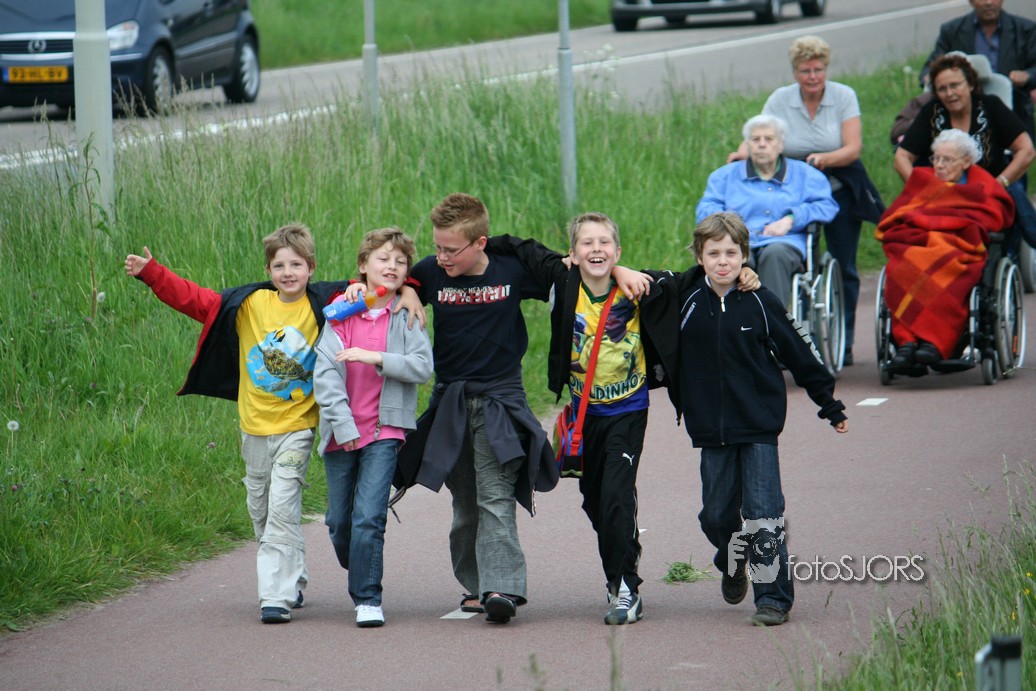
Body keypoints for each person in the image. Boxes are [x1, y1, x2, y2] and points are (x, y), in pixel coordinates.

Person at [485, 213, 757, 625]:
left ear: (618, 251)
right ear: (572, 254)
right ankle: (621, 563)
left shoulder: (641, 285)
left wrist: (743, 274)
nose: (596, 249)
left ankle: (625, 586)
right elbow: (518, 247)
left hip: (628, 411)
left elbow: (696, 277)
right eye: (587, 243)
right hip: (583, 416)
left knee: (616, 497)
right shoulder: (561, 279)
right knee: (596, 503)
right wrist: (476, 244)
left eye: (604, 243)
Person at [125, 224, 347, 624]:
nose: (288, 273)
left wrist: (407, 291)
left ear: (311, 267)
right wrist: (153, 273)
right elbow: (197, 300)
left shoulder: (325, 304)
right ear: (268, 270)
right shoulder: (249, 305)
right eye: (279, 266)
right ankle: (293, 576)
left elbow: (374, 288)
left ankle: (275, 596)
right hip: (254, 428)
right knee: (261, 509)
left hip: (297, 426)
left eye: (296, 265)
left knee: (283, 506)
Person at [389, 193, 559, 625]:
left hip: (501, 400)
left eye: (452, 249)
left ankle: (502, 589)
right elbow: (389, 279)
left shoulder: (511, 270)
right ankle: (476, 584)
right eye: (438, 247)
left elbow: (566, 272)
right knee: (465, 503)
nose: (442, 257)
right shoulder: (430, 273)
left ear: (481, 242)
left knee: (495, 495)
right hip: (451, 402)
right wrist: (408, 290)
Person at [676, 211, 848, 626]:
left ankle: (772, 599)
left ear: (745, 256)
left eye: (731, 253)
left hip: (758, 425)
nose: (723, 261)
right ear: (699, 257)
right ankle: (732, 559)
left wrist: (828, 403)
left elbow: (800, 352)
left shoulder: (761, 300)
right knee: (716, 515)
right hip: (711, 429)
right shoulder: (686, 301)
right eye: (713, 253)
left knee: (763, 513)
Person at [729, 35, 884, 367]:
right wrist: (739, 156)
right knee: (798, 254)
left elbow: (852, 147)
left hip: (837, 183)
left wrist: (825, 159)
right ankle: (792, 329)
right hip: (792, 187)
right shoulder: (781, 99)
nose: (812, 77)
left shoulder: (843, 96)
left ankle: (844, 340)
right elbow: (761, 133)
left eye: (817, 70)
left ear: (825, 68)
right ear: (795, 72)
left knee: (843, 263)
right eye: (805, 71)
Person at [313, 228, 433, 628]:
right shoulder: (341, 312)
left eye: (400, 262)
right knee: (339, 523)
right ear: (363, 266)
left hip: (385, 430)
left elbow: (423, 367)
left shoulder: (407, 314)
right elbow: (325, 374)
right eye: (383, 259)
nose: (392, 266)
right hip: (341, 431)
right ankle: (362, 563)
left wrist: (376, 357)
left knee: (368, 518)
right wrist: (344, 425)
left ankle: (367, 597)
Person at [879, 130, 1015, 370]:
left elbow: (993, 218)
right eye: (936, 158)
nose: (939, 165)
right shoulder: (922, 180)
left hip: (960, 246)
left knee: (947, 268)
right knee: (901, 267)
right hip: (918, 242)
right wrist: (925, 227)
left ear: (966, 161)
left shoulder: (983, 186)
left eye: (947, 159)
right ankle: (906, 342)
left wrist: (952, 227)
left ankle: (934, 341)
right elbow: (899, 215)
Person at [895, 53, 1036, 255]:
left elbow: (1026, 150)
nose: (950, 93)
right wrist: (922, 187)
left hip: (989, 187)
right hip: (946, 192)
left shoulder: (991, 106)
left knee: (1015, 196)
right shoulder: (931, 113)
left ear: (970, 83)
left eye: (955, 85)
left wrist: (1000, 183)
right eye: (942, 89)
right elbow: (902, 157)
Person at [698, 114, 838, 308]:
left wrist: (791, 218)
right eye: (755, 139)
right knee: (731, 256)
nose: (762, 144)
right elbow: (706, 207)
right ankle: (731, 317)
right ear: (747, 145)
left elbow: (826, 205)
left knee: (775, 254)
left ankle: (772, 320)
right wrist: (729, 223)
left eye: (769, 139)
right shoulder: (724, 176)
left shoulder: (806, 175)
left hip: (785, 242)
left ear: (780, 145)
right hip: (739, 241)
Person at [920, 0, 1036, 138]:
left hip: (1014, 108)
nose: (988, 2)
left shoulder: (1025, 29)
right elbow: (931, 65)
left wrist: (1027, 76)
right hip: (966, 111)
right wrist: (929, 77)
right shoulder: (952, 30)